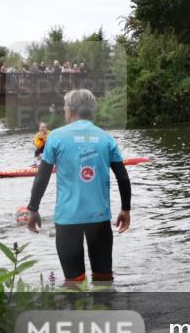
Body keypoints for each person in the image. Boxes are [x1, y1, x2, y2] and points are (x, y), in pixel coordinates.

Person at [25, 89, 131, 286]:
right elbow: (123, 178)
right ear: (92, 112)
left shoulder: (55, 137)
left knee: (74, 282)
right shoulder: (106, 138)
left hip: (68, 220)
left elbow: (42, 177)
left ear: (69, 111)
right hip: (99, 218)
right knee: (104, 279)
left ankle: (77, 312)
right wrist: (125, 209)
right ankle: (106, 309)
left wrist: (33, 209)